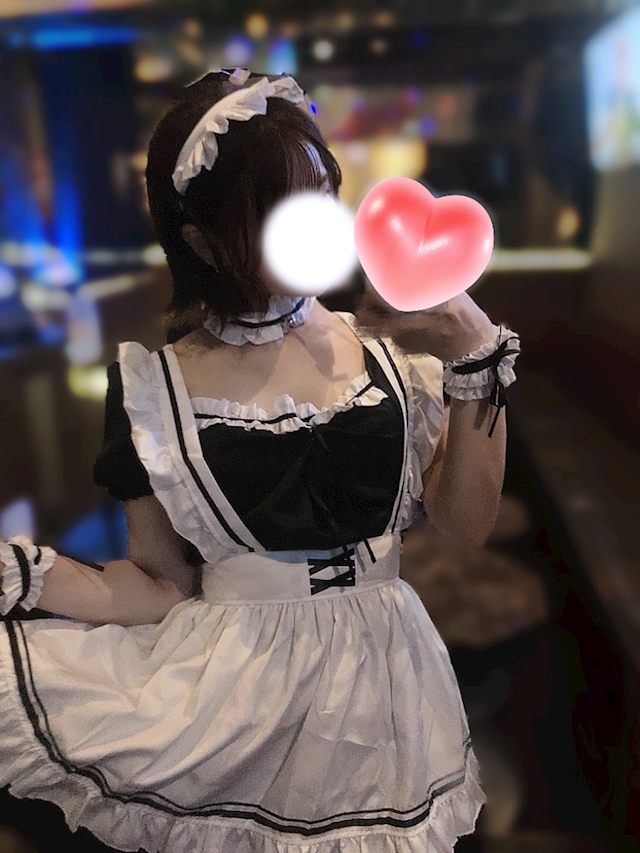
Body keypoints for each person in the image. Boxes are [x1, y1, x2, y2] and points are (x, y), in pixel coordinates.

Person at [0, 68, 520, 853]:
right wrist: (30, 575)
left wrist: (475, 356)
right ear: (202, 240)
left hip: (390, 682)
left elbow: (466, 521)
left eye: (319, 195)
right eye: (275, 210)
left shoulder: (392, 350)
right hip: (238, 706)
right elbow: (159, 584)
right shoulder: (154, 391)